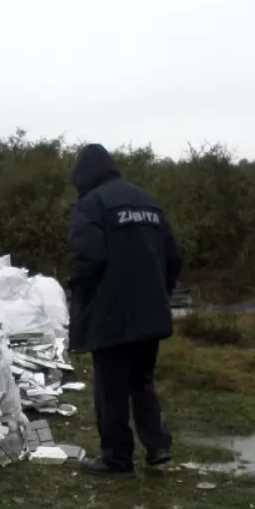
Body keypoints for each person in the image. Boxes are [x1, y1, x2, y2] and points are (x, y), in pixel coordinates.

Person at [67, 144, 182, 477]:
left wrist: (80, 292)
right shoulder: (146, 200)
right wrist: (160, 292)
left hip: (110, 311)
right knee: (142, 380)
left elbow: (90, 257)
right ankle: (157, 445)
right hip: (151, 310)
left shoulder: (92, 204)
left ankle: (116, 459)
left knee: (110, 386)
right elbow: (173, 256)